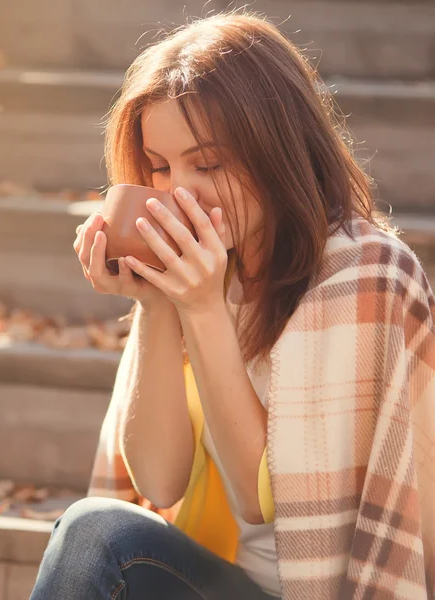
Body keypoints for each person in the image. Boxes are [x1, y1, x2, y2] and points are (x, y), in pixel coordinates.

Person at [29, 10, 435, 600]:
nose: (177, 192)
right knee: (97, 532)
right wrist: (156, 304)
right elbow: (160, 481)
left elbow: (261, 500)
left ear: (277, 149)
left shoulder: (365, 274)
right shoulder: (205, 268)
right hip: (227, 581)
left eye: (208, 163)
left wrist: (200, 309)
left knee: (97, 535)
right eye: (160, 167)